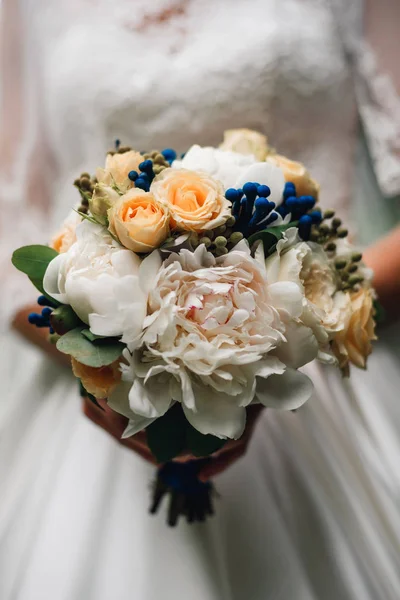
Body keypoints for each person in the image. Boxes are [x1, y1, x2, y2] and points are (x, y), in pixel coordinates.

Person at [1, 1, 399, 599]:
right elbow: (10, 227)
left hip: (320, 376)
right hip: (99, 396)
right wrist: (115, 369)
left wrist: (280, 337)